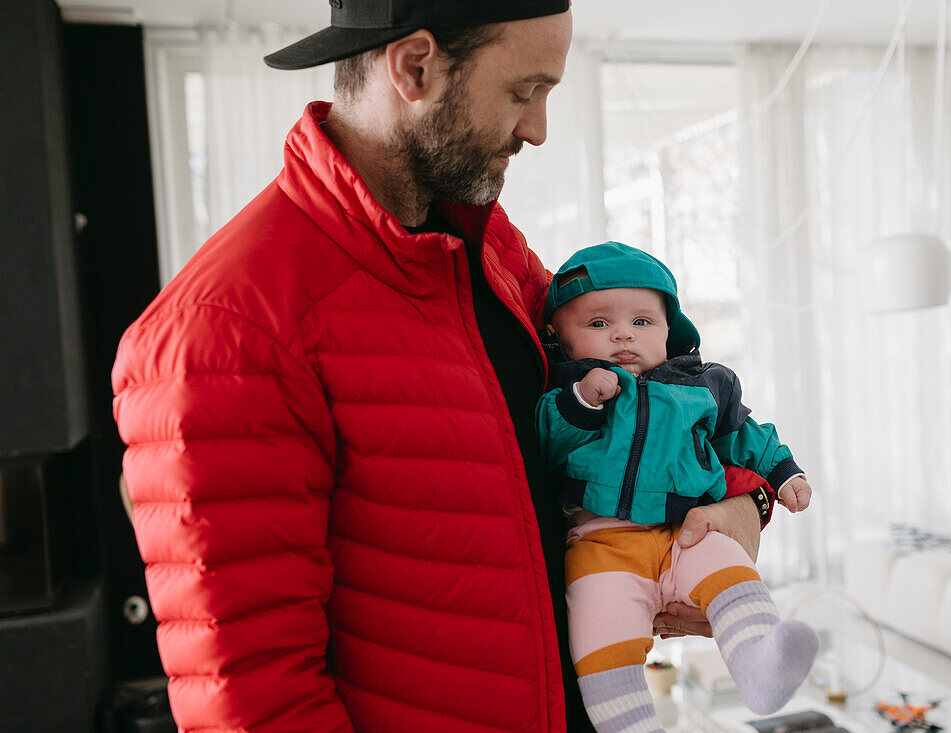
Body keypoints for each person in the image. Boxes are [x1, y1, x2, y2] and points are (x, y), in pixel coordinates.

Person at [112, 1, 775, 730]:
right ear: (415, 66)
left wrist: (748, 499)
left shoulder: (488, 249)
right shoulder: (226, 331)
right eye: (524, 91)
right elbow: (252, 698)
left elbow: (640, 400)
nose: (537, 130)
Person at [536, 242, 816, 730]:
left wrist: (784, 471)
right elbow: (544, 443)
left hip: (684, 533)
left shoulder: (701, 387)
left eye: (642, 322)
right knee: (602, 634)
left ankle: (758, 663)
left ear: (670, 331)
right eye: (598, 324)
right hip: (601, 543)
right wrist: (579, 401)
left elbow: (744, 436)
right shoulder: (566, 390)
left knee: (730, 572)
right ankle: (629, 722)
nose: (623, 333)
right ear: (559, 336)